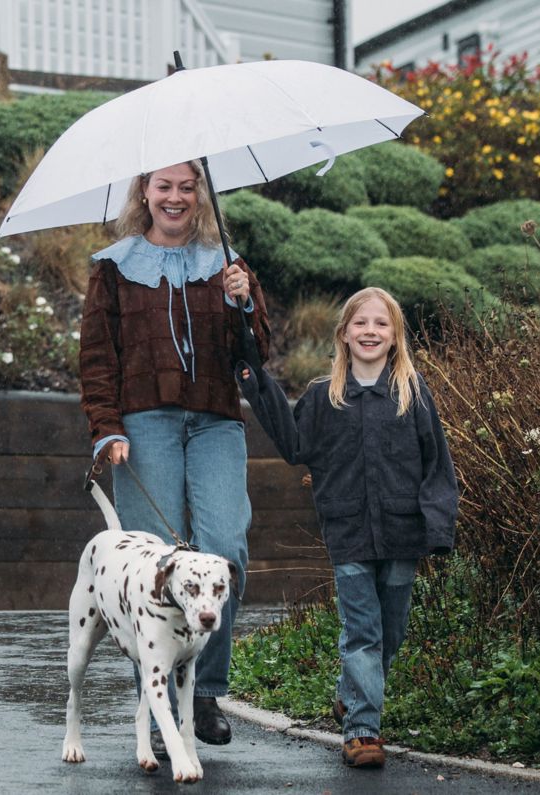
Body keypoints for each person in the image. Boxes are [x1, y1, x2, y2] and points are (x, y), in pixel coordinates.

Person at [79, 161, 272, 751]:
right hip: (143, 423)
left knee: (224, 544)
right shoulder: (113, 269)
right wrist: (106, 427)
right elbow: (96, 357)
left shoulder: (228, 266)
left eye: (188, 187)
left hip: (215, 419)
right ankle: (160, 703)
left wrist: (244, 304)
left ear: (202, 195)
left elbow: (257, 353)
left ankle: (206, 691)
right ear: (144, 192)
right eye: (164, 186)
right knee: (156, 561)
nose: (176, 197)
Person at [236, 286, 457, 768]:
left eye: (381, 323)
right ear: (343, 334)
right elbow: (294, 445)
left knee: (390, 634)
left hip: (403, 534)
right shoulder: (323, 396)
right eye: (361, 323)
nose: (370, 331)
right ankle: (362, 730)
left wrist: (438, 525)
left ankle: (348, 694)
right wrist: (256, 379)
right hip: (349, 533)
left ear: (395, 336)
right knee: (363, 633)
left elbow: (437, 464)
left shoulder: (413, 394)